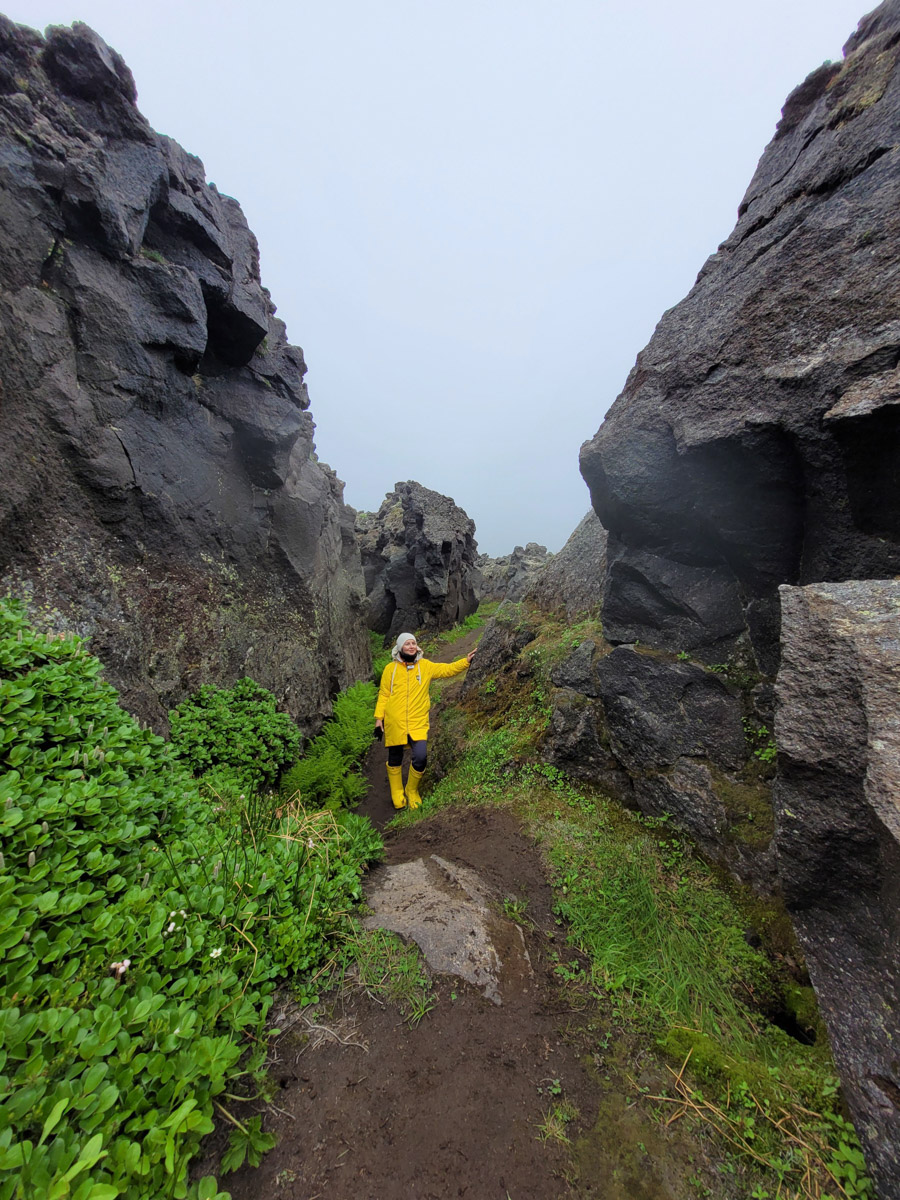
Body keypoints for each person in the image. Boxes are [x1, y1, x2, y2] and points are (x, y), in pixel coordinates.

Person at [374, 631, 475, 810]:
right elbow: (384, 694)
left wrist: (465, 662)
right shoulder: (390, 669)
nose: (411, 646)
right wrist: (378, 718)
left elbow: (446, 670)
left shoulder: (425, 666)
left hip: (417, 722)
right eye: (407, 644)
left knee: (420, 756)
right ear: (400, 647)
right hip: (395, 722)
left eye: (413, 643)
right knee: (395, 756)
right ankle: (396, 791)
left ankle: (411, 790)